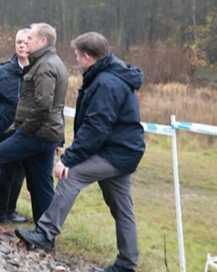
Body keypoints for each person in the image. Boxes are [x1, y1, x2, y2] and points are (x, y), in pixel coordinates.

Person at [16, 32, 145, 272]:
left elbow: (97, 127)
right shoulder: (108, 75)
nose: (76, 60)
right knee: (122, 208)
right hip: (123, 150)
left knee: (71, 174)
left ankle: (45, 234)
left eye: (77, 56)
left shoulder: (107, 82)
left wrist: (69, 158)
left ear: (87, 56)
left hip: (116, 152)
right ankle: (127, 264)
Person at [0, 23, 68, 224]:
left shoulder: (45, 66)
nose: (25, 43)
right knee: (41, 183)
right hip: (47, 133)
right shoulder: (53, 62)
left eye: (30, 39)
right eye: (21, 40)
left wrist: (25, 129)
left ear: (42, 41)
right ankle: (45, 231)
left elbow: (44, 105)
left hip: (36, 133)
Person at [0, 28, 31, 224]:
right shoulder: (4, 71)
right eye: (19, 42)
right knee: (2, 174)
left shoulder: (40, 72)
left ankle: (10, 209)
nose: (22, 46)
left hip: (27, 134)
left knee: (19, 174)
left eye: (26, 42)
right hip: (3, 131)